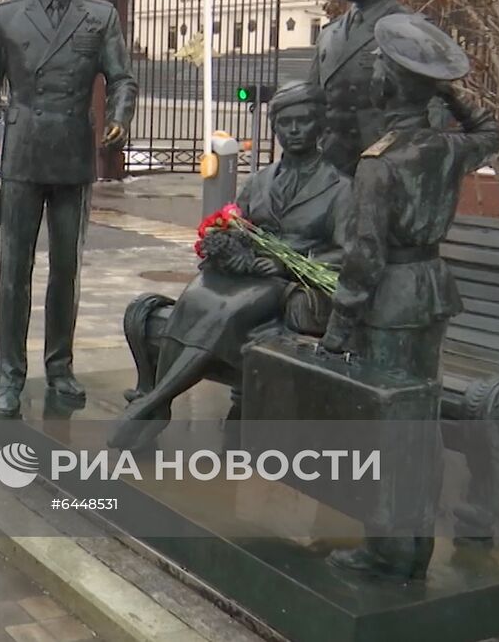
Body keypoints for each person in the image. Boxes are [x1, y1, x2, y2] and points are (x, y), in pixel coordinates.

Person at [319, 13, 499, 580]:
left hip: (392, 303)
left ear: (389, 86)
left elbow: (365, 257)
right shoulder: (443, 148)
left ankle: (390, 551)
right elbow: (493, 133)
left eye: (380, 64)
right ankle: (411, 546)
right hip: (430, 293)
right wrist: (446, 89)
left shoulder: (380, 164)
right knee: (419, 424)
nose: (373, 69)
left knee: (391, 427)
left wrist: (338, 327)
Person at [0, 0, 139, 417]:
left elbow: (123, 78)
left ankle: (59, 367)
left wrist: (120, 117)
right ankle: (8, 374)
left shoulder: (99, 17)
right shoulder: (5, 17)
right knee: (14, 271)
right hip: (24, 155)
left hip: (73, 157)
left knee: (67, 270)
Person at [109, 82, 350, 450]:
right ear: (276, 128)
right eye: (287, 123)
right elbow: (237, 224)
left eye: (304, 121)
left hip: (287, 285)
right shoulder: (259, 181)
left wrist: (292, 263)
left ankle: (155, 403)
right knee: (194, 299)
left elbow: (347, 251)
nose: (296, 130)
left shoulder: (340, 188)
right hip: (245, 271)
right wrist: (233, 251)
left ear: (320, 126)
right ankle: (156, 402)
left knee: (226, 311)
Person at [309, 0, 412, 175]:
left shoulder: (408, 29)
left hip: (382, 167)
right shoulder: (329, 34)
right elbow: (312, 99)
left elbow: (433, 108)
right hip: (332, 167)